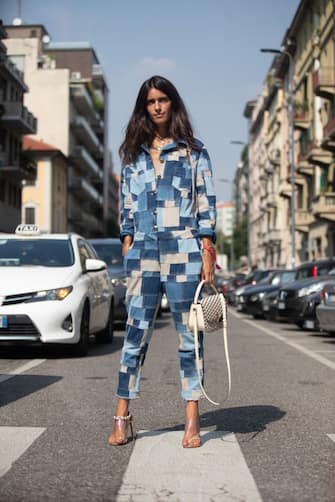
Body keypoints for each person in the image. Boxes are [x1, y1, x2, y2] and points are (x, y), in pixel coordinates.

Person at [108, 75, 217, 449]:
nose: (156, 106)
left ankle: (192, 418)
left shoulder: (194, 152)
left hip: (183, 249)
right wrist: (127, 238)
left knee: (190, 334)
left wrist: (207, 249)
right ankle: (122, 416)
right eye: (150, 101)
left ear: (173, 103)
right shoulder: (132, 155)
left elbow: (206, 204)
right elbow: (124, 203)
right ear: (144, 107)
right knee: (136, 332)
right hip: (142, 251)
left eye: (162, 100)